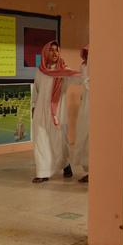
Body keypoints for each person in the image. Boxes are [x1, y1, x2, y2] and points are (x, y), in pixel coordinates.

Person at [32, 41, 80, 183]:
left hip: (57, 113)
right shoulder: (40, 71)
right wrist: (33, 107)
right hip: (41, 112)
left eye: (57, 50)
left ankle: (65, 164)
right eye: (51, 50)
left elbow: (78, 79)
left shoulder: (63, 71)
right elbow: (36, 91)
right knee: (41, 140)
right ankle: (42, 172)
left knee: (59, 142)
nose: (54, 53)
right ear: (45, 52)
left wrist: (87, 69)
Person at [73, 45, 90, 183]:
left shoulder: (101, 67)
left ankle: (95, 171)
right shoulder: (83, 67)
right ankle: (89, 171)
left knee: (92, 138)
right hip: (85, 106)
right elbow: (79, 80)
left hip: (96, 106)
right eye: (87, 53)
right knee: (83, 136)